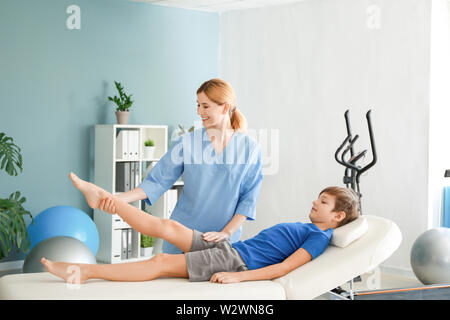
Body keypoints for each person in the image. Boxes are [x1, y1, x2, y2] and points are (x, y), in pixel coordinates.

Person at [40, 173, 359, 284]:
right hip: (228, 249)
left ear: (338, 217)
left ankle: (83, 273)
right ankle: (104, 199)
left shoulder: (318, 237)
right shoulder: (310, 227)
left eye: (325, 203)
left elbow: (285, 268)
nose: (316, 203)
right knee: (166, 225)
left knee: (160, 263)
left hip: (232, 262)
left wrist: (238, 276)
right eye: (319, 198)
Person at [107, 78, 263, 254]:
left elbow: (248, 199)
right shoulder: (188, 142)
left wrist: (227, 232)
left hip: (222, 242)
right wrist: (117, 199)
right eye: (197, 105)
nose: (199, 111)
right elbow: (157, 181)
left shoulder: (250, 149)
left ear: (225, 107)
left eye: (205, 106)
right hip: (181, 237)